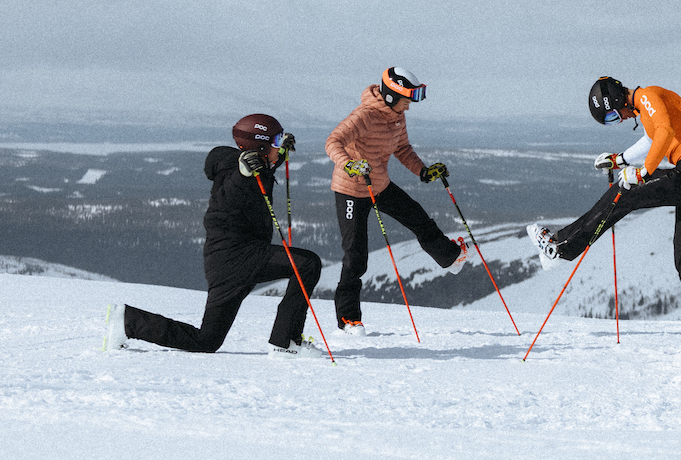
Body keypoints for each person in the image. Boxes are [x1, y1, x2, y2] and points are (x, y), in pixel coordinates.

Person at [530, 76, 681, 365]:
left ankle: (562, 247)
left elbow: (664, 131)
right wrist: (621, 160)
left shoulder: (647, 96)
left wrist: (643, 172)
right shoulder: (645, 110)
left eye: (611, 115)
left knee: (623, 192)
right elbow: (651, 138)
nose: (617, 120)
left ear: (618, 98)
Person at [102, 113, 325, 358]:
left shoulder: (256, 166)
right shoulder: (237, 173)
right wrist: (243, 175)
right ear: (259, 146)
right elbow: (226, 197)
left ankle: (128, 321)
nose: (280, 145)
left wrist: (280, 150)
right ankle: (286, 342)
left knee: (207, 340)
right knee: (307, 264)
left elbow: (264, 164)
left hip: (225, 262)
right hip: (239, 255)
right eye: (277, 140)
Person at [325, 66, 467, 336]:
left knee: (418, 218)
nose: (409, 107)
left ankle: (450, 258)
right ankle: (348, 320)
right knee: (356, 258)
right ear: (391, 96)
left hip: (379, 185)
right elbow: (333, 141)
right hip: (352, 190)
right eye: (406, 100)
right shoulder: (364, 116)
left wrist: (423, 171)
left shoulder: (397, 117)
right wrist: (348, 164)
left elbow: (402, 149)